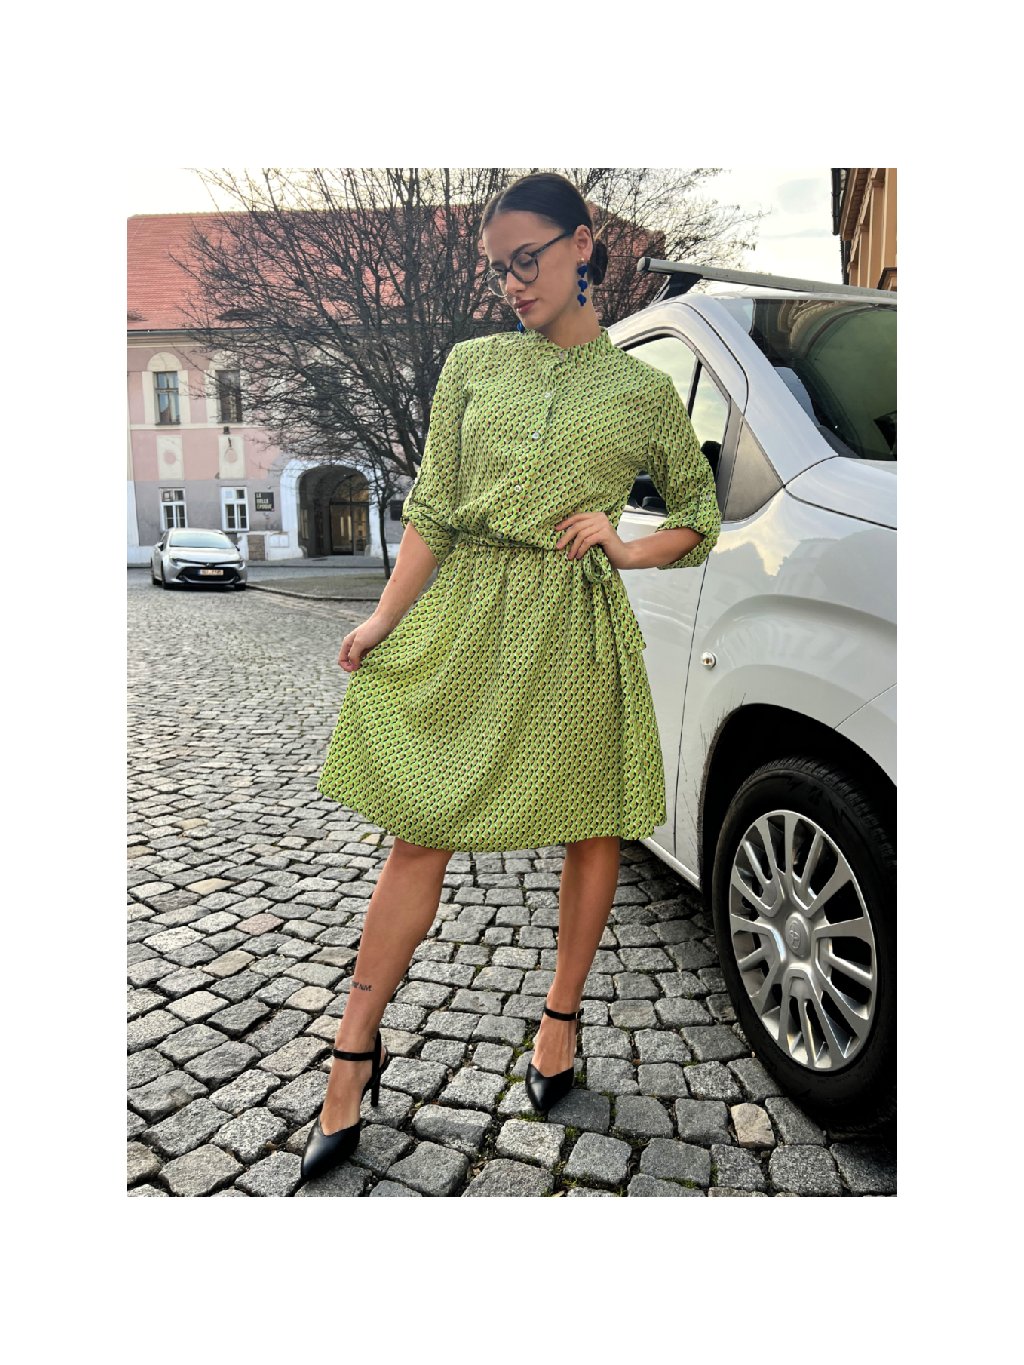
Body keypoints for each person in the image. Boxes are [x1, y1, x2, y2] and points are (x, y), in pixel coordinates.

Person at [302, 172, 722, 1184]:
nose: (512, 283)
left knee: (592, 824)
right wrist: (382, 617)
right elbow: (435, 509)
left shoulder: (641, 392)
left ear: (582, 244)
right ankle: (352, 1051)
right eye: (499, 269)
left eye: (526, 259)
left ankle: (559, 1022)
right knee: (420, 826)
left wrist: (624, 546)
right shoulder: (472, 364)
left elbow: (697, 517)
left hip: (574, 625)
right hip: (469, 614)